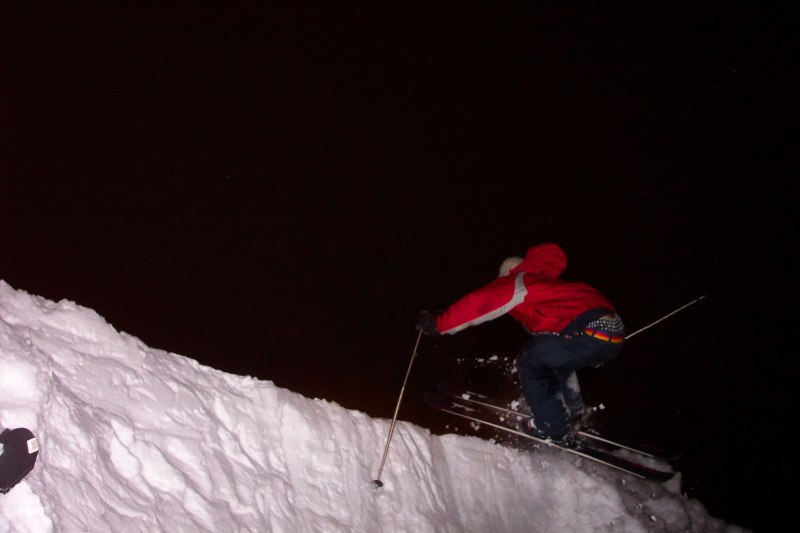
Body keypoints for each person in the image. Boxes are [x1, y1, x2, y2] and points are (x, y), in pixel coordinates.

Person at [416, 243, 625, 441]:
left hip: (591, 329)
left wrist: (439, 323)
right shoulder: (545, 288)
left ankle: (552, 425)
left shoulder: (518, 280)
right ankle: (575, 412)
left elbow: (481, 303)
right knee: (552, 360)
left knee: (529, 359)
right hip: (610, 334)